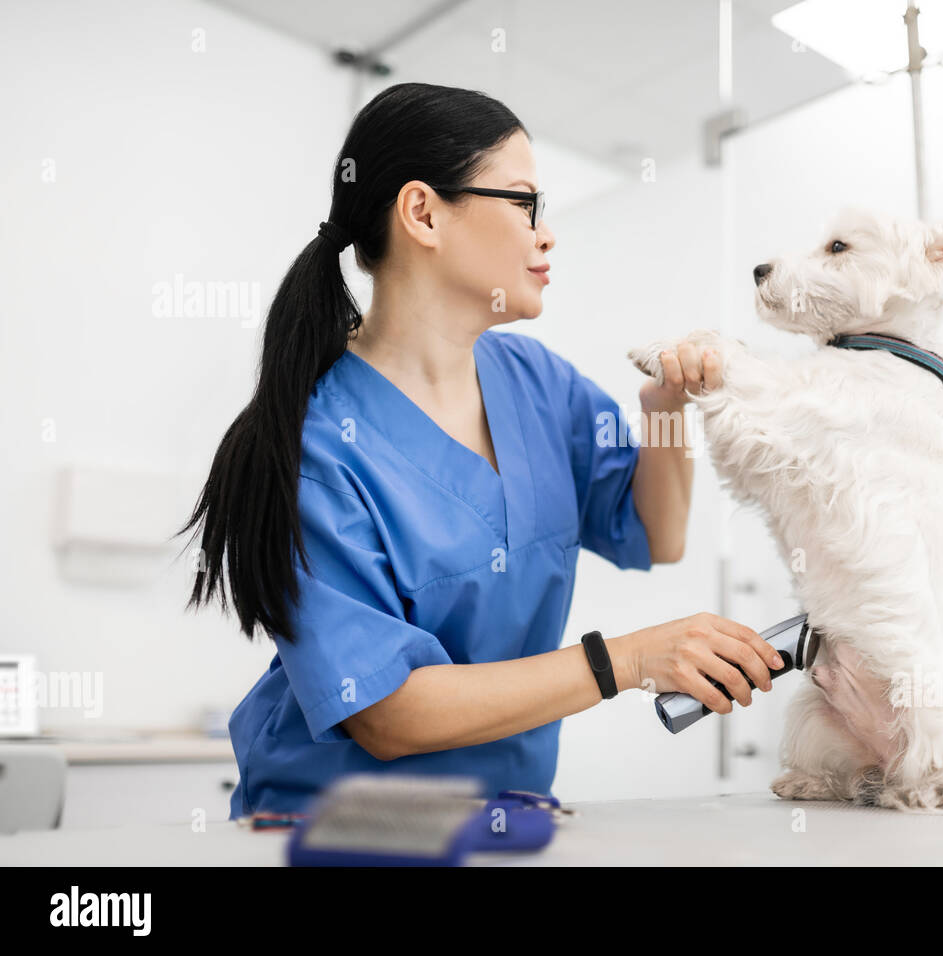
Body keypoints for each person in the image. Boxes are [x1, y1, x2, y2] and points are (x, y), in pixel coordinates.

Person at [176, 83, 784, 818]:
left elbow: (660, 535)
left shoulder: (538, 382)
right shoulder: (316, 448)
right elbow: (387, 714)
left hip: (503, 815)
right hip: (336, 827)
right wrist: (624, 660)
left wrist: (662, 413)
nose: (545, 234)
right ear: (423, 213)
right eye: (523, 202)